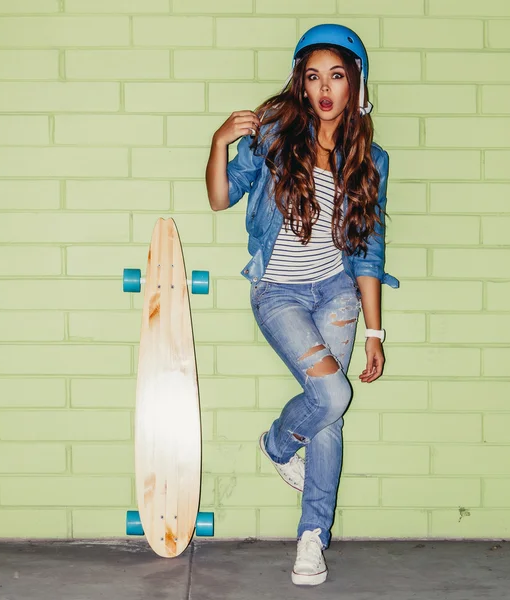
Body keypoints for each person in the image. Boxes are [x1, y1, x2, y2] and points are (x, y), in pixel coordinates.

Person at [205, 24, 399, 587]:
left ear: (355, 85)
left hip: (337, 291)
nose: (324, 88)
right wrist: (219, 142)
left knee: (330, 415)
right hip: (279, 292)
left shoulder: (372, 161)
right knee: (333, 395)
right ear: (300, 83)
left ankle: (312, 539)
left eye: (336, 76)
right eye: (313, 76)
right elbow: (220, 198)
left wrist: (375, 333)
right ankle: (278, 440)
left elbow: (368, 250)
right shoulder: (273, 135)